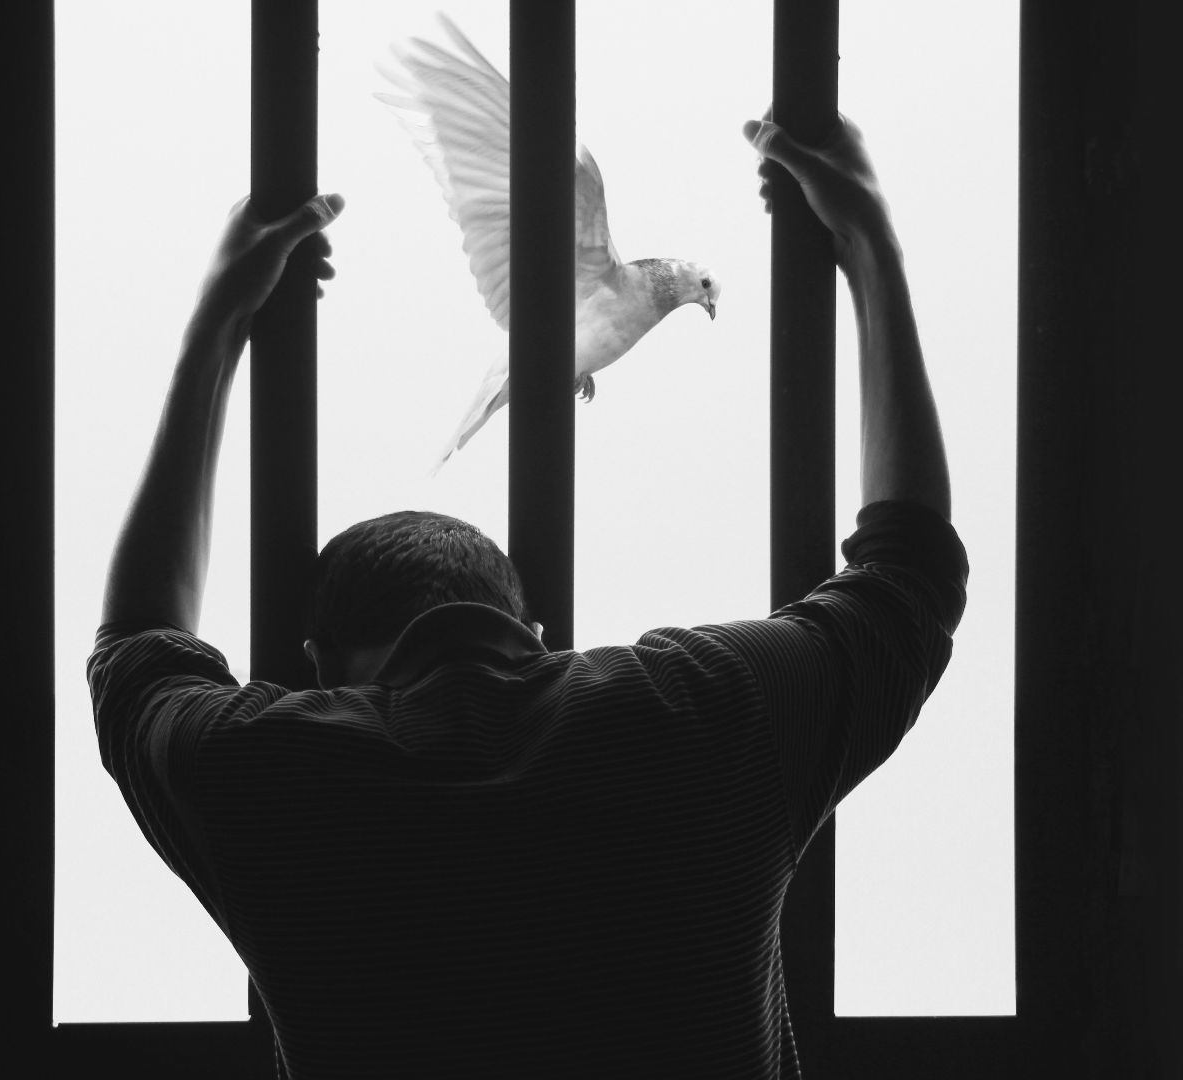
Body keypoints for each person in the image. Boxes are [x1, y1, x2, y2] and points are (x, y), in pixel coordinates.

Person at [90, 114, 967, 1080]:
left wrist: (219, 322)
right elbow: (911, 581)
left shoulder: (273, 776)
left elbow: (134, 650)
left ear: (321, 670)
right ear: (535, 633)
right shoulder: (709, 715)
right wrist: (870, 245)